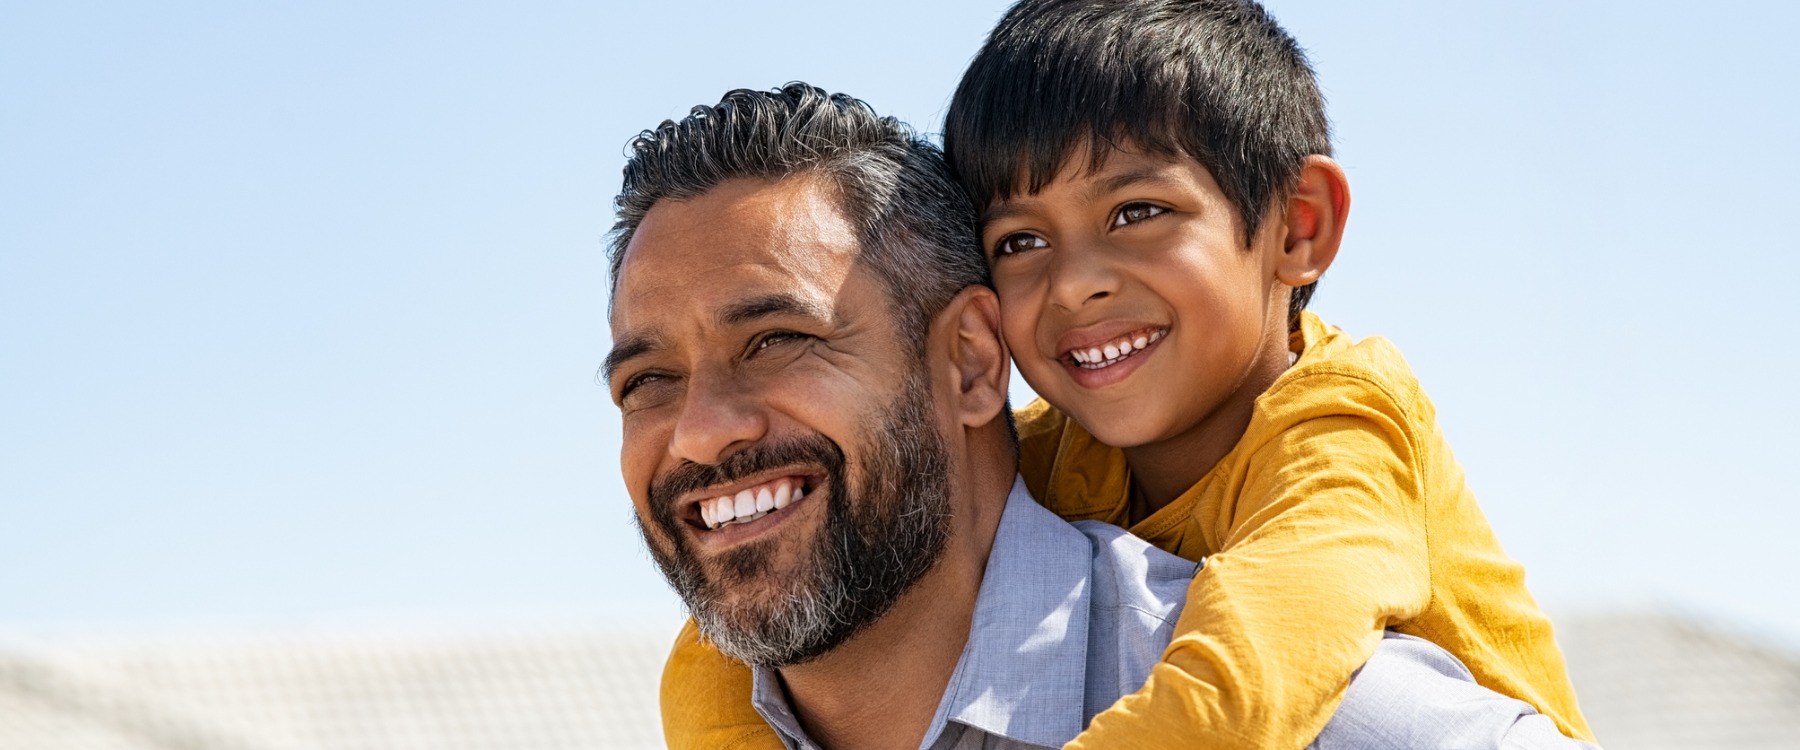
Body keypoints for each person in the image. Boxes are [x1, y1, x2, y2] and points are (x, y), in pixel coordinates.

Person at [659, 1, 1598, 749]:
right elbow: (719, 648)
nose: (1076, 282)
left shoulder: (1341, 428)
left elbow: (1251, 677)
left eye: (1137, 211)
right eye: (1020, 240)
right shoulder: (1059, 455)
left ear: (1298, 225)